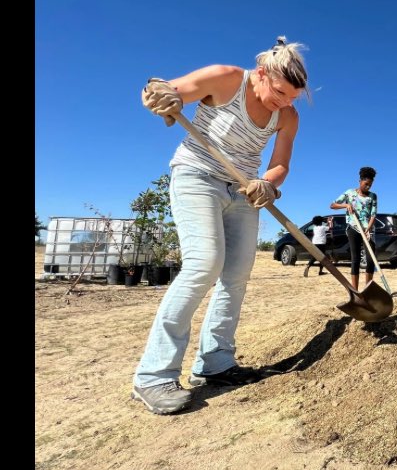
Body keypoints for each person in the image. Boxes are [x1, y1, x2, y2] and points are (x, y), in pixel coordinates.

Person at [130, 37, 309, 415]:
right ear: (261, 74)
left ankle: (215, 363)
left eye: (292, 97)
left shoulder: (287, 116)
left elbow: (280, 164)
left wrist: (269, 184)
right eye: (279, 92)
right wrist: (161, 96)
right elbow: (163, 89)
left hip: (244, 191)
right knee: (204, 264)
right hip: (197, 177)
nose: (285, 102)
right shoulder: (226, 79)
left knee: (238, 275)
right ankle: (153, 375)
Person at [331, 167, 378, 291]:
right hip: (353, 228)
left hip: (367, 230)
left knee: (370, 259)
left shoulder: (373, 196)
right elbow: (332, 205)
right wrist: (346, 205)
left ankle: (368, 290)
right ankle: (355, 292)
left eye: (370, 185)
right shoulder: (349, 193)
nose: (368, 187)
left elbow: (373, 215)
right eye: (366, 184)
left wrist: (368, 229)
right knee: (355, 259)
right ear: (360, 181)